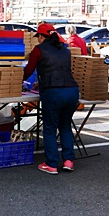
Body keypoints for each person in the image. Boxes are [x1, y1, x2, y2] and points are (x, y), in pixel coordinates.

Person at [23, 23, 80, 175]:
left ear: (42, 37)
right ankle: (68, 161)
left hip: (53, 91)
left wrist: (17, 80)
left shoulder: (39, 50)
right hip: (72, 90)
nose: (38, 39)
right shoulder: (65, 50)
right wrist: (40, 81)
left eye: (38, 37)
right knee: (65, 126)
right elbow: (60, 70)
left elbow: (28, 70)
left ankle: (52, 164)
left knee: (49, 128)